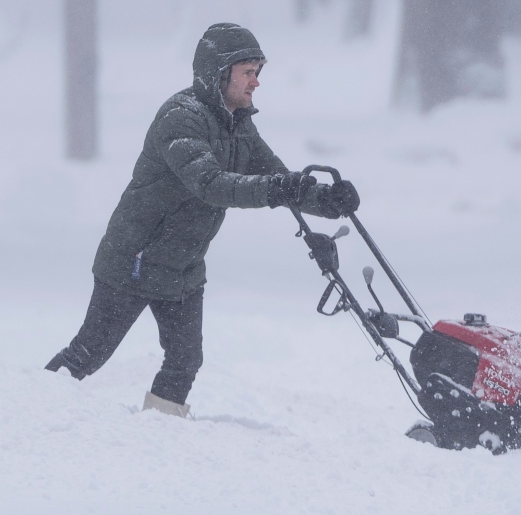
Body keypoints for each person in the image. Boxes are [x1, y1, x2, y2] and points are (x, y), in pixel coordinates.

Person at [45, 23, 360, 417]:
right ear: (219, 73)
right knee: (88, 354)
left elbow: (279, 177)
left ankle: (160, 434)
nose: (256, 83)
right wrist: (276, 188)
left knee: (185, 360)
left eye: (258, 72)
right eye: (248, 72)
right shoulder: (180, 119)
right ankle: (33, 407)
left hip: (183, 268)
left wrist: (327, 200)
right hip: (134, 261)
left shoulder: (238, 124)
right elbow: (211, 185)